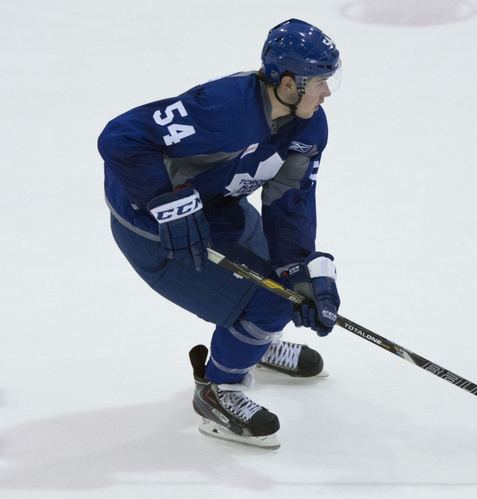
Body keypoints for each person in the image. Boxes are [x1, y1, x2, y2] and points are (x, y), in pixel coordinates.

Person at [97, 19, 342, 448]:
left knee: (285, 288)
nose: (327, 93)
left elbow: (290, 202)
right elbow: (121, 137)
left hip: (216, 208)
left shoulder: (309, 127)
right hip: (153, 227)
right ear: (289, 83)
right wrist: (165, 201)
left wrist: (299, 266)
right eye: (321, 82)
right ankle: (219, 389)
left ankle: (255, 343)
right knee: (267, 303)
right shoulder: (223, 108)